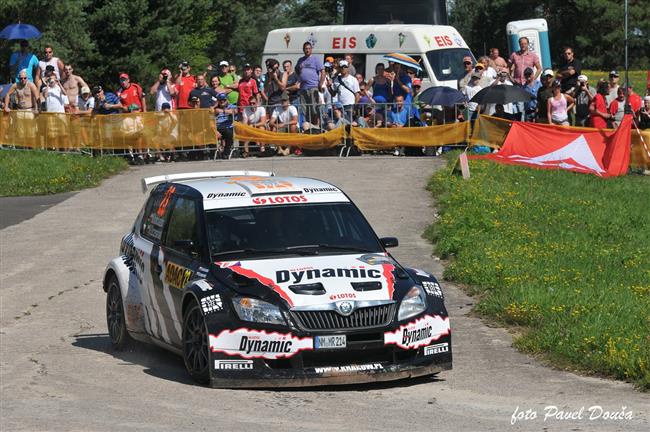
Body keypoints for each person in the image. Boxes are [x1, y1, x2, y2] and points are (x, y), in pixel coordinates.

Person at [296, 41, 325, 124]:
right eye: (306, 49)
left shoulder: (316, 59)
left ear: (311, 49)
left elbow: (323, 71)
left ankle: (316, 127)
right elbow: (296, 69)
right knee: (305, 110)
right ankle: (308, 128)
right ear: (303, 50)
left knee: (314, 109)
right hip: (303, 88)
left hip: (313, 87)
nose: (307, 50)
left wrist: (320, 83)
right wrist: (300, 76)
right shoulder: (300, 60)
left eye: (309, 48)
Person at [214, 93, 237, 159]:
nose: (222, 101)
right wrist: (215, 131)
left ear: (227, 100)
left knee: (229, 133)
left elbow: (234, 111)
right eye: (220, 100)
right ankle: (210, 152)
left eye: (224, 100)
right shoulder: (215, 109)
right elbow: (211, 120)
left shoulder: (232, 106)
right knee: (210, 133)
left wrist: (223, 111)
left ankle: (226, 152)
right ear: (217, 101)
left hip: (228, 127)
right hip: (218, 128)